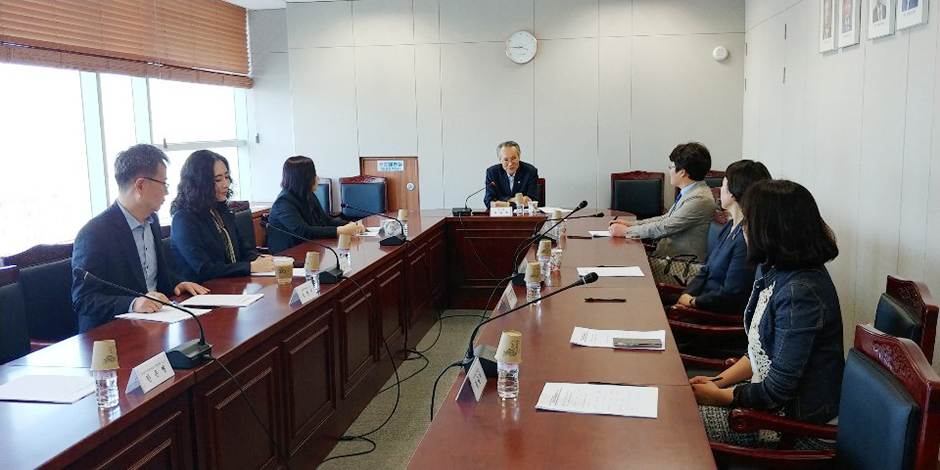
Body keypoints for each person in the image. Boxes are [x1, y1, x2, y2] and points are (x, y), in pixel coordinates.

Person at [690, 179, 843, 449]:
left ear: (770, 229)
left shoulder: (800, 291)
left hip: (794, 427)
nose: (744, 227)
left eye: (748, 220)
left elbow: (778, 390)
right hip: (767, 405)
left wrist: (720, 396)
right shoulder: (779, 270)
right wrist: (717, 382)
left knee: (680, 422)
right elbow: (760, 352)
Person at [72, 144, 209, 333]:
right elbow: (83, 299)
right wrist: (133, 303)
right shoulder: (95, 233)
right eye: (164, 184)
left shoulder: (152, 221)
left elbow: (149, 274)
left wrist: (178, 282)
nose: (167, 192)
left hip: (155, 325)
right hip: (113, 334)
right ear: (140, 185)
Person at [674, 160, 771, 314]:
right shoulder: (730, 226)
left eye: (723, 185)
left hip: (712, 315)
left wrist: (692, 302)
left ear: (733, 192)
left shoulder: (745, 239)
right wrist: (684, 297)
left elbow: (731, 295)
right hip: (699, 304)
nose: (719, 189)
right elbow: (706, 271)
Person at [169, 150, 275, 283]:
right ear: (199, 183)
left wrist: (265, 260)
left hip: (233, 285)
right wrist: (251, 267)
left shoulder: (221, 210)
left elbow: (245, 251)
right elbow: (205, 269)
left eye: (227, 177)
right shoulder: (183, 219)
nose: (226, 184)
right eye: (218, 180)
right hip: (205, 290)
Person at [609, 142, 716, 260]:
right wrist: (632, 224)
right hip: (667, 255)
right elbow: (665, 218)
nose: (670, 171)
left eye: (671, 167)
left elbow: (665, 227)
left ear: (682, 172)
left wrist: (627, 231)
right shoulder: (692, 192)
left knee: (623, 260)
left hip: (681, 264)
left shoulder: (700, 199)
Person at [266, 156, 363, 253]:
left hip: (310, 249)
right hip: (288, 255)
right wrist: (341, 230)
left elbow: (326, 220)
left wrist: (350, 225)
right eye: (313, 174)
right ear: (303, 178)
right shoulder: (283, 202)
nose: (317, 178)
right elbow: (304, 231)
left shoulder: (308, 195)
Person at [483, 141, 540, 209]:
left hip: (523, 215)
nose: (510, 164)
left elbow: (533, 201)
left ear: (519, 157)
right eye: (506, 160)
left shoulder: (530, 172)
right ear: (500, 160)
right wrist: (513, 200)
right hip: (500, 215)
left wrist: (505, 204)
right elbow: (489, 201)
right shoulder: (492, 173)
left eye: (513, 158)